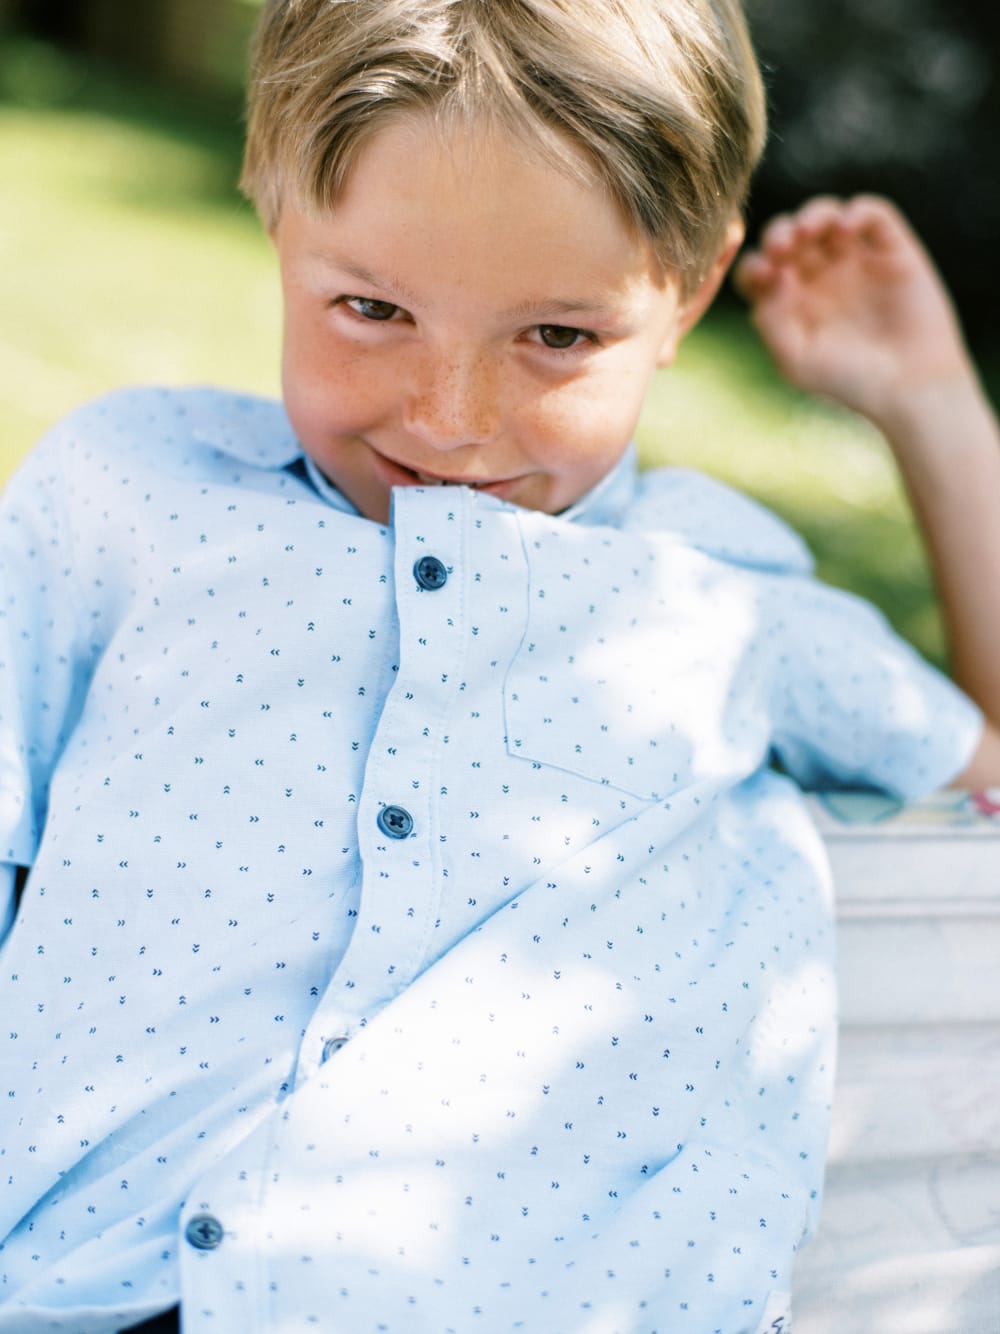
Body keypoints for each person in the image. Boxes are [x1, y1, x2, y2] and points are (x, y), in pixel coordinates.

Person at [0, 3, 996, 1332]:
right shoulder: (127, 489)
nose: (450, 422)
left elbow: (986, 787)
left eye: (557, 338)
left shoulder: (721, 591)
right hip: (72, 1288)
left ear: (691, 291)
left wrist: (932, 406)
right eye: (371, 309)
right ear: (275, 216)